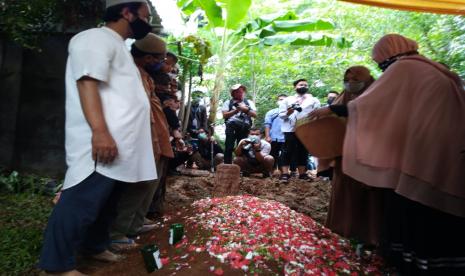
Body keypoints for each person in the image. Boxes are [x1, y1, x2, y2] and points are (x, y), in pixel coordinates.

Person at [38, 1, 156, 275]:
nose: (146, 23)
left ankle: (95, 245)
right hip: (102, 140)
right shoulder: (94, 38)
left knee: (107, 202)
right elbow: (87, 81)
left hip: (122, 143)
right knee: (82, 200)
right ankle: (55, 265)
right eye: (144, 16)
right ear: (127, 13)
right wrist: (100, 132)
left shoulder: (118, 46)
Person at [337, 34, 465, 274]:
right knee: (442, 200)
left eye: (379, 62)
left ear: (388, 54)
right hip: (450, 147)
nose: (380, 67)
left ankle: (413, 262)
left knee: (416, 201)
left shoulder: (404, 68)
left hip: (424, 149)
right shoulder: (432, 68)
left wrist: (336, 109)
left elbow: (370, 105)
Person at [309, 66, 384, 247]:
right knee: (344, 193)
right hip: (344, 155)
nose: (350, 83)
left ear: (367, 80)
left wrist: (333, 110)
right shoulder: (344, 96)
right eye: (347, 79)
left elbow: (368, 110)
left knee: (368, 196)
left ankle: (369, 235)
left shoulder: (378, 94)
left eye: (355, 79)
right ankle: (341, 228)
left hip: (370, 155)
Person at [108, 33, 169, 251]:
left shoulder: (143, 74)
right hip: (138, 139)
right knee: (137, 184)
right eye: (161, 59)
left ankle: (135, 224)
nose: (164, 64)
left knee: (149, 182)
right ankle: (117, 233)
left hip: (154, 139)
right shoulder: (130, 74)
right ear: (148, 58)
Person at [278, 79, 320, 183]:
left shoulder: (313, 100)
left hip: (306, 128)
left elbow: (318, 113)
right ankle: (284, 173)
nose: (303, 86)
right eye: (301, 84)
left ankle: (302, 174)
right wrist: (289, 111)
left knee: (303, 150)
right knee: (287, 150)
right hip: (289, 129)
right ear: (295, 87)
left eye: (306, 85)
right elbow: (281, 115)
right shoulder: (287, 100)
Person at [222, 84, 257, 164]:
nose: (240, 93)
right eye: (238, 92)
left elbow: (255, 115)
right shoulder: (228, 102)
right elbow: (224, 115)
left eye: (242, 92)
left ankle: (242, 167)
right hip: (231, 127)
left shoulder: (249, 102)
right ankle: (227, 165)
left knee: (243, 147)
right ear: (233, 93)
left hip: (244, 127)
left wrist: (245, 110)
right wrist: (236, 110)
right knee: (229, 146)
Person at [264, 94, 287, 175]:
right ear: (277, 101)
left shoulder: (290, 112)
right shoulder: (271, 112)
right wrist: (267, 136)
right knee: (273, 155)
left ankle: (283, 173)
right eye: (280, 99)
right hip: (273, 137)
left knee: (284, 156)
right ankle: (270, 171)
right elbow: (267, 124)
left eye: (284, 99)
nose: (282, 101)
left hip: (286, 138)